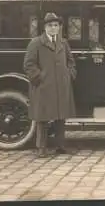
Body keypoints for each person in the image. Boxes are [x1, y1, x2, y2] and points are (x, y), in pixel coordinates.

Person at [23, 12, 77, 158]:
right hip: (44, 86)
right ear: (45, 27)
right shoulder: (36, 43)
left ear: (59, 27)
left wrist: (69, 74)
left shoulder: (63, 43)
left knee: (61, 116)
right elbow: (29, 64)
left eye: (56, 25)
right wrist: (39, 78)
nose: (53, 28)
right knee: (43, 118)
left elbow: (71, 61)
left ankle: (60, 145)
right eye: (50, 25)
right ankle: (41, 148)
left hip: (61, 86)